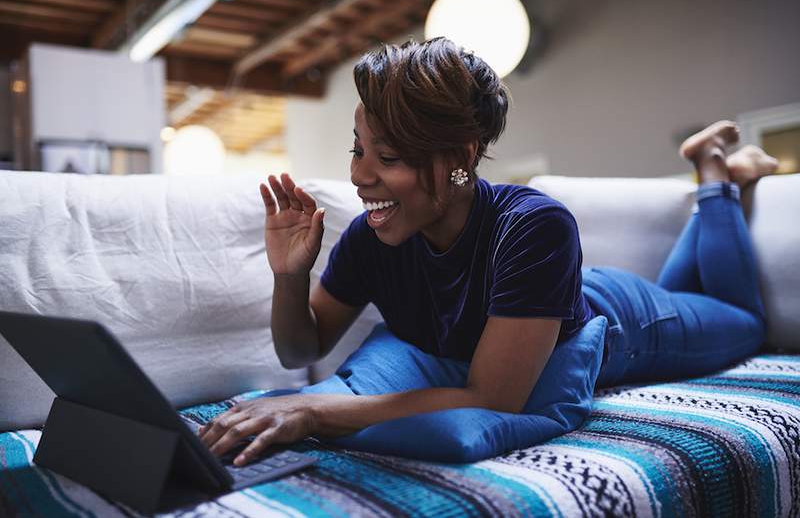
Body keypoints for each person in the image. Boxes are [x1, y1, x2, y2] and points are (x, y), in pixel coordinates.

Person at [198, 37, 778, 467]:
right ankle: (721, 183)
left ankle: (713, 173)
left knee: (747, 323)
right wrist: (290, 278)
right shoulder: (373, 236)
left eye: (389, 157)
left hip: (629, 320)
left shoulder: (534, 225)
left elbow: (494, 397)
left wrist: (312, 411)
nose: (359, 175)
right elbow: (302, 347)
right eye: (358, 150)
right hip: (551, 298)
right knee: (690, 292)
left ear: (461, 157)